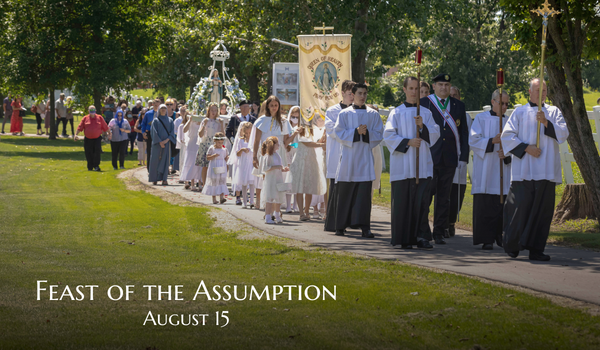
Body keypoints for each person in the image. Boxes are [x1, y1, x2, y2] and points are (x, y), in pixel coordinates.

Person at [501, 78, 569, 261]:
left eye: (545, 90)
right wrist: (526, 148)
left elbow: (563, 134)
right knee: (519, 209)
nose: (543, 93)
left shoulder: (553, 112)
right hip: (524, 170)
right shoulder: (519, 112)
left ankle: (536, 249)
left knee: (542, 213)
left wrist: (547, 123)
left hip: (545, 171)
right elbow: (507, 136)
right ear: (530, 91)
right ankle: (513, 245)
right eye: (538, 90)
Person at [384, 76, 440, 249]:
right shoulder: (397, 112)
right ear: (404, 90)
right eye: (411, 89)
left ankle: (422, 237)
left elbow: (436, 134)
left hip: (421, 165)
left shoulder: (426, 113)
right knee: (403, 203)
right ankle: (404, 237)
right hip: (403, 166)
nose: (414, 92)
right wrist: (408, 142)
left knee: (422, 202)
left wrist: (423, 127)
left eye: (417, 89)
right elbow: (388, 135)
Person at [420, 73, 470, 245]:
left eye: (446, 85)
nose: (443, 88)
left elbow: (463, 133)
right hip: (430, 156)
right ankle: (423, 230)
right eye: (440, 85)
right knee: (426, 195)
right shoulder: (425, 103)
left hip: (449, 157)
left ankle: (439, 231)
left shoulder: (458, 105)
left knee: (444, 197)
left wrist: (463, 156)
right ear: (434, 87)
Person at [332, 83, 384, 238]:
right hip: (348, 159)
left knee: (363, 197)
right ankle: (340, 226)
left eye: (365, 93)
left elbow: (379, 133)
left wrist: (366, 134)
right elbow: (338, 132)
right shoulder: (344, 114)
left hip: (365, 159)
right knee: (345, 194)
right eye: (360, 93)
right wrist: (355, 132)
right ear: (352, 95)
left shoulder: (373, 114)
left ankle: (365, 227)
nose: (363, 96)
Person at [469, 89, 512, 250]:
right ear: (493, 102)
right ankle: (486, 239)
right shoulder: (481, 118)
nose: (504, 106)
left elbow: (515, 142)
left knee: (502, 203)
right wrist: (491, 141)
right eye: (501, 103)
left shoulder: (509, 121)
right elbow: (473, 140)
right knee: (486, 204)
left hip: (503, 169)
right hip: (486, 168)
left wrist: (506, 153)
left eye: (507, 104)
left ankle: (500, 236)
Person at [249, 96, 294, 210]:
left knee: (278, 179)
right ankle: (264, 203)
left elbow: (286, 142)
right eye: (272, 105)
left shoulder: (284, 121)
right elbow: (256, 140)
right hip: (265, 153)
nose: (274, 108)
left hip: (279, 153)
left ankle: (276, 206)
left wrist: (295, 134)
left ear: (279, 106)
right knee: (266, 178)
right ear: (268, 107)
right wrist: (254, 157)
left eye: (276, 105)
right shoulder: (262, 120)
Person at [324, 80, 355, 232]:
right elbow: (333, 131)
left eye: (354, 94)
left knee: (351, 190)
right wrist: (352, 133)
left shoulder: (357, 111)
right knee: (336, 191)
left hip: (353, 155)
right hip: (337, 154)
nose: (352, 96)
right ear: (342, 93)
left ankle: (349, 222)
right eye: (350, 94)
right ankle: (333, 223)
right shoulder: (332, 111)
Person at [289, 115, 327, 221]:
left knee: (309, 186)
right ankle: (301, 213)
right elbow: (307, 143)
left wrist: (323, 137)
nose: (308, 121)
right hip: (301, 158)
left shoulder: (314, 129)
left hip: (311, 158)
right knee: (300, 186)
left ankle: (307, 211)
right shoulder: (298, 129)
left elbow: (317, 142)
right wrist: (322, 144)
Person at [226, 100, 257, 204]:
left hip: (249, 149)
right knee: (238, 173)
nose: (245, 109)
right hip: (239, 145)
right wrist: (233, 140)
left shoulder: (252, 119)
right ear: (240, 108)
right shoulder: (235, 118)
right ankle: (238, 195)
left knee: (249, 175)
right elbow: (228, 131)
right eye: (243, 107)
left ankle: (247, 196)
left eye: (247, 107)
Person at [260, 136, 289, 224]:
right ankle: (268, 216)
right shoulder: (268, 156)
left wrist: (283, 169)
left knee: (278, 198)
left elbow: (279, 166)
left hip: (278, 179)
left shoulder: (277, 155)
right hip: (271, 181)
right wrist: (275, 167)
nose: (279, 145)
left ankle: (277, 215)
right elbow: (265, 168)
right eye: (277, 144)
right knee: (269, 198)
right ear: (272, 145)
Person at [196, 103, 226, 188]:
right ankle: (204, 184)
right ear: (209, 110)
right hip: (205, 144)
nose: (213, 112)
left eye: (215, 110)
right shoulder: (205, 120)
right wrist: (204, 124)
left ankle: (216, 184)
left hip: (215, 144)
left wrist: (221, 125)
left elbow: (223, 135)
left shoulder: (218, 121)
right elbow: (200, 134)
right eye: (212, 110)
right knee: (205, 166)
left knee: (216, 164)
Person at [228, 122, 255, 207]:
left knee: (251, 182)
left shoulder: (254, 140)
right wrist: (242, 149)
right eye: (246, 133)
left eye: (250, 133)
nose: (248, 135)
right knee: (243, 182)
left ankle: (252, 201)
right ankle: (244, 201)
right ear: (243, 132)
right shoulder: (241, 140)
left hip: (250, 163)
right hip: (243, 163)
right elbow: (237, 153)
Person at [148, 104, 176, 185]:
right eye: (162, 108)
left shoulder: (170, 120)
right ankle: (154, 178)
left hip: (166, 144)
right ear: (159, 110)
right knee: (155, 161)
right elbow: (154, 132)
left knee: (165, 161)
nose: (163, 109)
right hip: (157, 145)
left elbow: (172, 132)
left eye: (164, 108)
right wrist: (160, 142)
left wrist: (166, 141)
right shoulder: (155, 121)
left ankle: (164, 179)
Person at [75, 106, 109, 171]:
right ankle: (90, 167)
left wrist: (109, 133)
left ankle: (96, 166)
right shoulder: (85, 118)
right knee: (88, 153)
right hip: (88, 139)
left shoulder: (99, 117)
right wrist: (76, 134)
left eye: (93, 109)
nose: (92, 111)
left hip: (97, 138)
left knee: (97, 152)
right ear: (88, 111)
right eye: (91, 110)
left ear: (95, 110)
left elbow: (105, 126)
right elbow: (80, 127)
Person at [202, 132, 229, 204]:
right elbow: (208, 157)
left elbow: (226, 157)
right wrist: (213, 156)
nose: (220, 144)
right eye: (218, 142)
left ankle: (221, 197)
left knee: (221, 181)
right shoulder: (212, 148)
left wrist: (227, 159)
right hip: (214, 166)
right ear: (215, 141)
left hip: (222, 167)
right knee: (214, 181)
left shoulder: (224, 149)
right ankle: (214, 198)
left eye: (221, 142)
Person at [180, 109, 203, 191]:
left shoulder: (202, 120)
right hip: (192, 143)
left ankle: (200, 183)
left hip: (200, 143)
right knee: (191, 162)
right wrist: (189, 120)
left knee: (199, 162)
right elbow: (184, 130)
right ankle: (192, 183)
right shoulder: (190, 121)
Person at [284, 107, 300, 213]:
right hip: (289, 153)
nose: (295, 118)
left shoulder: (301, 127)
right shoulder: (287, 127)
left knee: (297, 180)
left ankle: (296, 205)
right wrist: (291, 144)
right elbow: (285, 142)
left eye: (297, 116)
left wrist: (296, 145)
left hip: (298, 153)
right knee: (289, 180)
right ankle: (288, 205)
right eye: (293, 116)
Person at [140, 98, 161, 170]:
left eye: (158, 105)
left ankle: (157, 167)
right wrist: (143, 133)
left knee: (159, 151)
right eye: (155, 105)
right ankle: (149, 168)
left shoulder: (161, 114)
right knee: (149, 150)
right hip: (149, 133)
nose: (156, 106)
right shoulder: (148, 114)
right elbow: (143, 124)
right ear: (153, 104)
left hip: (159, 133)